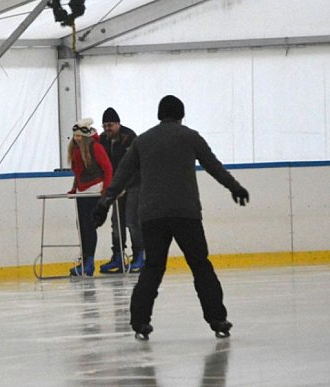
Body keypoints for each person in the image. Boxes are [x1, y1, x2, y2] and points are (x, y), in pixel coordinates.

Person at [92, 95, 249, 340]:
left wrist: (104, 203)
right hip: (185, 212)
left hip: (152, 215)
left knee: (153, 268)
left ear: (159, 115)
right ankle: (217, 318)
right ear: (181, 115)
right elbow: (213, 166)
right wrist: (235, 187)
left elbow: (122, 174)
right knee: (200, 265)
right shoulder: (190, 136)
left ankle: (139, 322)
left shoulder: (143, 141)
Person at [97, 107, 145, 274]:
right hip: (116, 186)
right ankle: (117, 255)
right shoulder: (103, 139)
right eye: (104, 126)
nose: (107, 129)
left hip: (134, 184)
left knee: (132, 220)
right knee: (116, 223)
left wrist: (124, 186)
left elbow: (136, 164)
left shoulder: (129, 137)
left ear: (118, 123)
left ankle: (140, 255)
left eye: (110, 125)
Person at [66, 117, 113, 277]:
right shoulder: (75, 150)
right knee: (83, 226)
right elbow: (78, 173)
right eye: (75, 135)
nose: (76, 138)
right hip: (82, 190)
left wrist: (106, 190)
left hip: (94, 189)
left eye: (79, 136)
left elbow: (107, 168)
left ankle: (89, 262)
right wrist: (74, 188)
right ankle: (86, 260)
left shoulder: (96, 147)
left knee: (89, 226)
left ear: (85, 136)